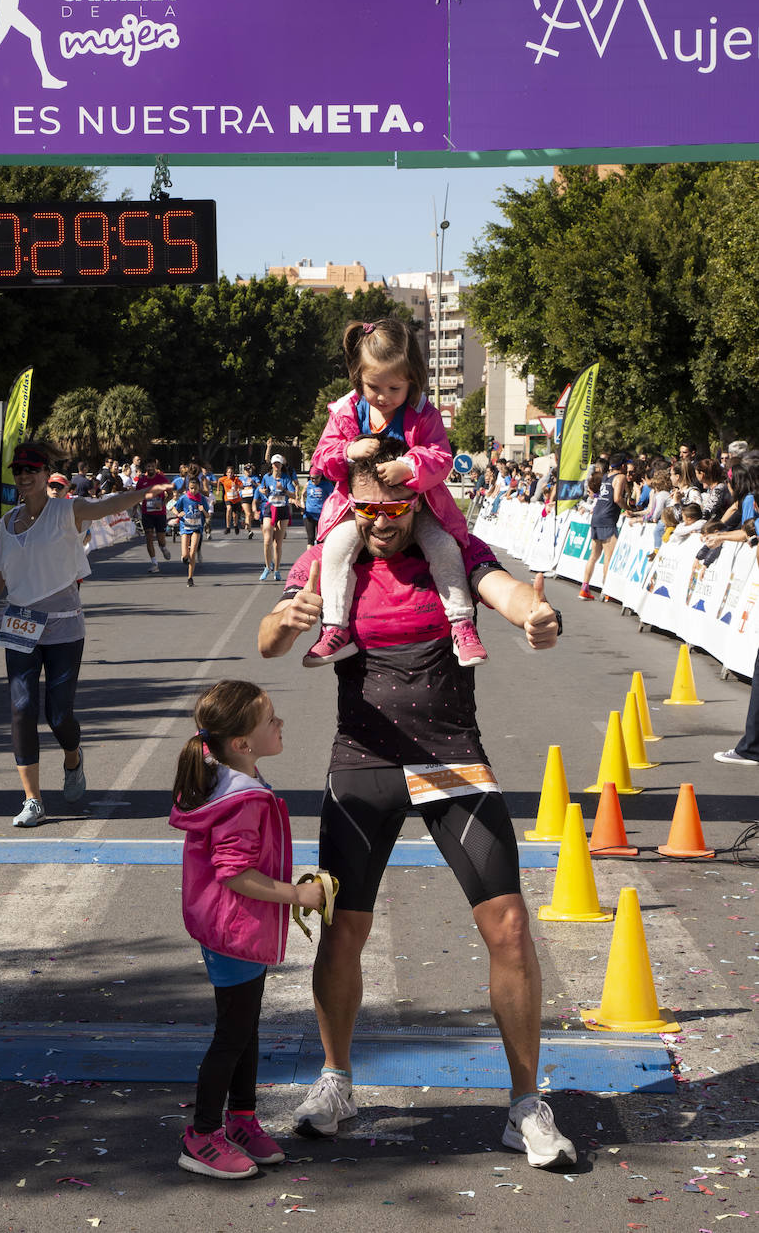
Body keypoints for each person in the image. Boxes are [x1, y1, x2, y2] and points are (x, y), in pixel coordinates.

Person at [257, 438, 576, 1170]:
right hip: (362, 763)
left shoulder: (449, 551)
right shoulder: (332, 555)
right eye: (366, 509)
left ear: (417, 499)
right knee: (341, 928)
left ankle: (526, 1104)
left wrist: (536, 616)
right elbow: (269, 640)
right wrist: (288, 619)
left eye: (393, 509)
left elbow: (506, 591)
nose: (379, 522)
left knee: (508, 926)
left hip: (451, 758)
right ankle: (335, 1083)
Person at [0, 442, 162, 828]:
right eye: (19, 472)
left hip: (63, 625)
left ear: (46, 475)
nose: (25, 477)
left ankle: (73, 756)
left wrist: (143, 493)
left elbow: (106, 507)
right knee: (21, 706)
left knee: (59, 714)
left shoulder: (66, 510)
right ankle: (33, 800)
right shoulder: (8, 523)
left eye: (32, 471)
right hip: (19, 626)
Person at [169, 680, 324, 1179]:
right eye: (270, 720)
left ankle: (240, 1120)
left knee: (245, 1028)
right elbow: (233, 871)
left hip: (233, 926)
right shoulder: (243, 797)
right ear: (241, 743)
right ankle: (202, 1135)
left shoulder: (232, 777)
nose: (280, 724)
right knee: (232, 1034)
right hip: (232, 928)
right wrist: (298, 895)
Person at [304, 318, 487, 668]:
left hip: (418, 507)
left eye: (394, 388)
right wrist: (346, 452)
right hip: (356, 508)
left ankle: (462, 624)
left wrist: (411, 466)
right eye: (374, 386)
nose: (384, 397)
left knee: (444, 546)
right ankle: (335, 628)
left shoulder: (422, 414)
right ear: (358, 377)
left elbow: (442, 457)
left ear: (412, 382)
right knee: (336, 550)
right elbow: (321, 459)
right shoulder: (345, 412)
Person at [579, 452, 627, 600]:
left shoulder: (605, 476)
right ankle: (606, 591)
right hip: (607, 518)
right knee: (608, 556)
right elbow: (617, 498)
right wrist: (628, 509)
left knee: (594, 555)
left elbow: (599, 494)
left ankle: (584, 588)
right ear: (623, 466)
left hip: (597, 516)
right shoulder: (620, 477)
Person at [255, 453, 298, 583]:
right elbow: (263, 490)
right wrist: (263, 492)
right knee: (267, 539)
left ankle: (277, 570)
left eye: (278, 463)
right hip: (270, 508)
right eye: (274, 463)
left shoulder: (286, 478)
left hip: (282, 509)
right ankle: (268, 566)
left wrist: (284, 490)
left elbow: (293, 495)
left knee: (278, 543)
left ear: (281, 465)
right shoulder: (267, 478)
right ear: (272, 465)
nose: (276, 465)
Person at [134, 456, 174, 573]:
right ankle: (154, 563)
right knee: (149, 538)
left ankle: (163, 547)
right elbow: (137, 497)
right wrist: (135, 509)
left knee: (161, 539)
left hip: (160, 513)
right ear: (145, 468)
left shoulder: (162, 479)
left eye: (152, 466)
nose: (150, 468)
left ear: (155, 467)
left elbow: (170, 494)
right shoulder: (141, 481)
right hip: (147, 513)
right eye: (148, 466)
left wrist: (164, 502)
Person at [172, 475, 209, 587]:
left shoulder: (202, 499)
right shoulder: (184, 498)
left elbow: (207, 516)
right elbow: (173, 507)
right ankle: (184, 558)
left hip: (197, 528)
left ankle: (190, 577)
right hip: (185, 527)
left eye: (196, 489)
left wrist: (203, 511)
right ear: (188, 488)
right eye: (191, 488)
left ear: (199, 488)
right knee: (185, 554)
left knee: (192, 552)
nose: (193, 491)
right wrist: (178, 514)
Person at [301, 467, 334, 546]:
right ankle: (310, 557)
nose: (314, 480)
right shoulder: (308, 484)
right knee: (310, 538)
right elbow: (302, 494)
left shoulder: (326, 485)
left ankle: (319, 557)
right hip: (309, 514)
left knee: (320, 539)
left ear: (320, 476)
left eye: (316, 478)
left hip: (322, 516)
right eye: (312, 478)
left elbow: (332, 498)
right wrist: (302, 503)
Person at [219, 465, 243, 535]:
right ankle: (228, 527)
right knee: (229, 509)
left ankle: (235, 526)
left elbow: (241, 486)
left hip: (235, 499)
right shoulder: (224, 479)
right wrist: (217, 489)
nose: (230, 474)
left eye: (231, 473)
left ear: (233, 473)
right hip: (228, 498)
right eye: (228, 472)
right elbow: (218, 481)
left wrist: (237, 487)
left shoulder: (236, 479)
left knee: (235, 515)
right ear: (226, 473)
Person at [238, 464, 258, 539]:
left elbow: (259, 486)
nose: (248, 472)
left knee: (251, 515)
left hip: (253, 497)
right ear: (244, 471)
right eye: (247, 470)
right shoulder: (240, 478)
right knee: (248, 514)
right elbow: (237, 487)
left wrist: (253, 483)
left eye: (249, 470)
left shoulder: (255, 478)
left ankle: (245, 520)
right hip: (244, 497)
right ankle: (249, 530)